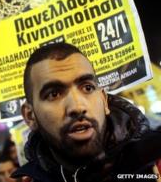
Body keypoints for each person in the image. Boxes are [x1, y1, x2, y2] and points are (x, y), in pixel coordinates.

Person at [11, 42, 161, 182]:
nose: (77, 107)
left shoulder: (155, 163)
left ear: (104, 101)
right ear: (30, 116)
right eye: (54, 94)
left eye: (87, 88)